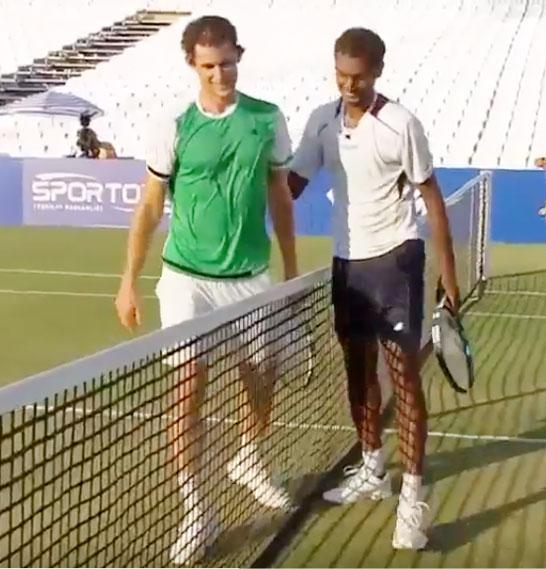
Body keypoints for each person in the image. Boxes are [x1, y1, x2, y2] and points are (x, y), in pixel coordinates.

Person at [114, 15, 297, 564]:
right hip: (186, 279)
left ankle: (249, 458)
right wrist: (128, 281)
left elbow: (280, 195)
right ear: (192, 64)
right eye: (209, 65)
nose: (221, 73)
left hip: (251, 278)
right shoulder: (171, 123)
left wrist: (290, 275)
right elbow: (150, 205)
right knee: (186, 390)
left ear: (240, 55)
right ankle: (198, 509)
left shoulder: (267, 119)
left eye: (228, 63)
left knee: (262, 382)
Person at [288, 28, 460, 550]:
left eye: (358, 76)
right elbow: (291, 185)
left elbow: (431, 197)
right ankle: (371, 468)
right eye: (341, 75)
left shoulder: (401, 124)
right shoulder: (321, 120)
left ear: (378, 71)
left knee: (403, 377)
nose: (348, 85)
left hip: (397, 260)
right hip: (347, 265)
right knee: (358, 371)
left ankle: (412, 499)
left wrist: (448, 280)